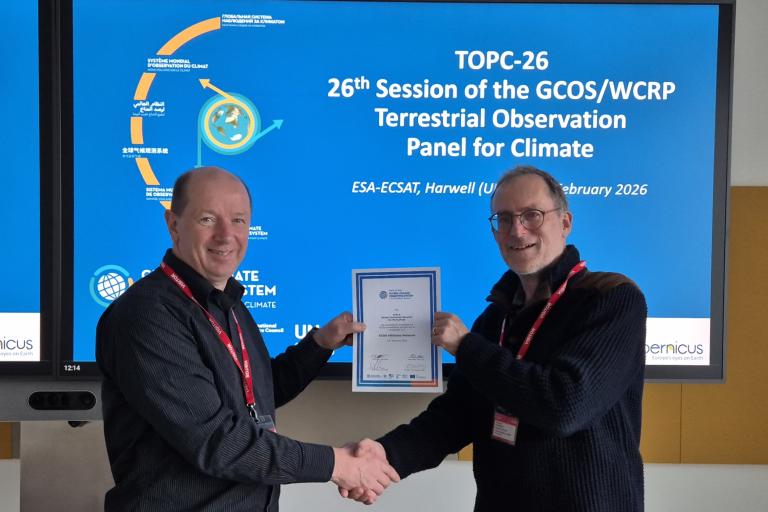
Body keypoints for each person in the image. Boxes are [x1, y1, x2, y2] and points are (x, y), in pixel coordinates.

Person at [344, 165, 647, 511]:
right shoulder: (494, 319)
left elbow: (565, 406)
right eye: (503, 219)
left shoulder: (611, 298)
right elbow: (455, 416)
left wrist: (466, 346)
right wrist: (384, 455)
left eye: (531, 215)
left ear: (565, 223)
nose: (516, 231)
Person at [97, 166, 398, 511]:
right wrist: (337, 464)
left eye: (238, 220)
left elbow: (255, 396)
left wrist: (320, 344)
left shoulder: (228, 304)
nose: (226, 235)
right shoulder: (147, 316)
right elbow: (218, 443)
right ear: (174, 225)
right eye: (208, 219)